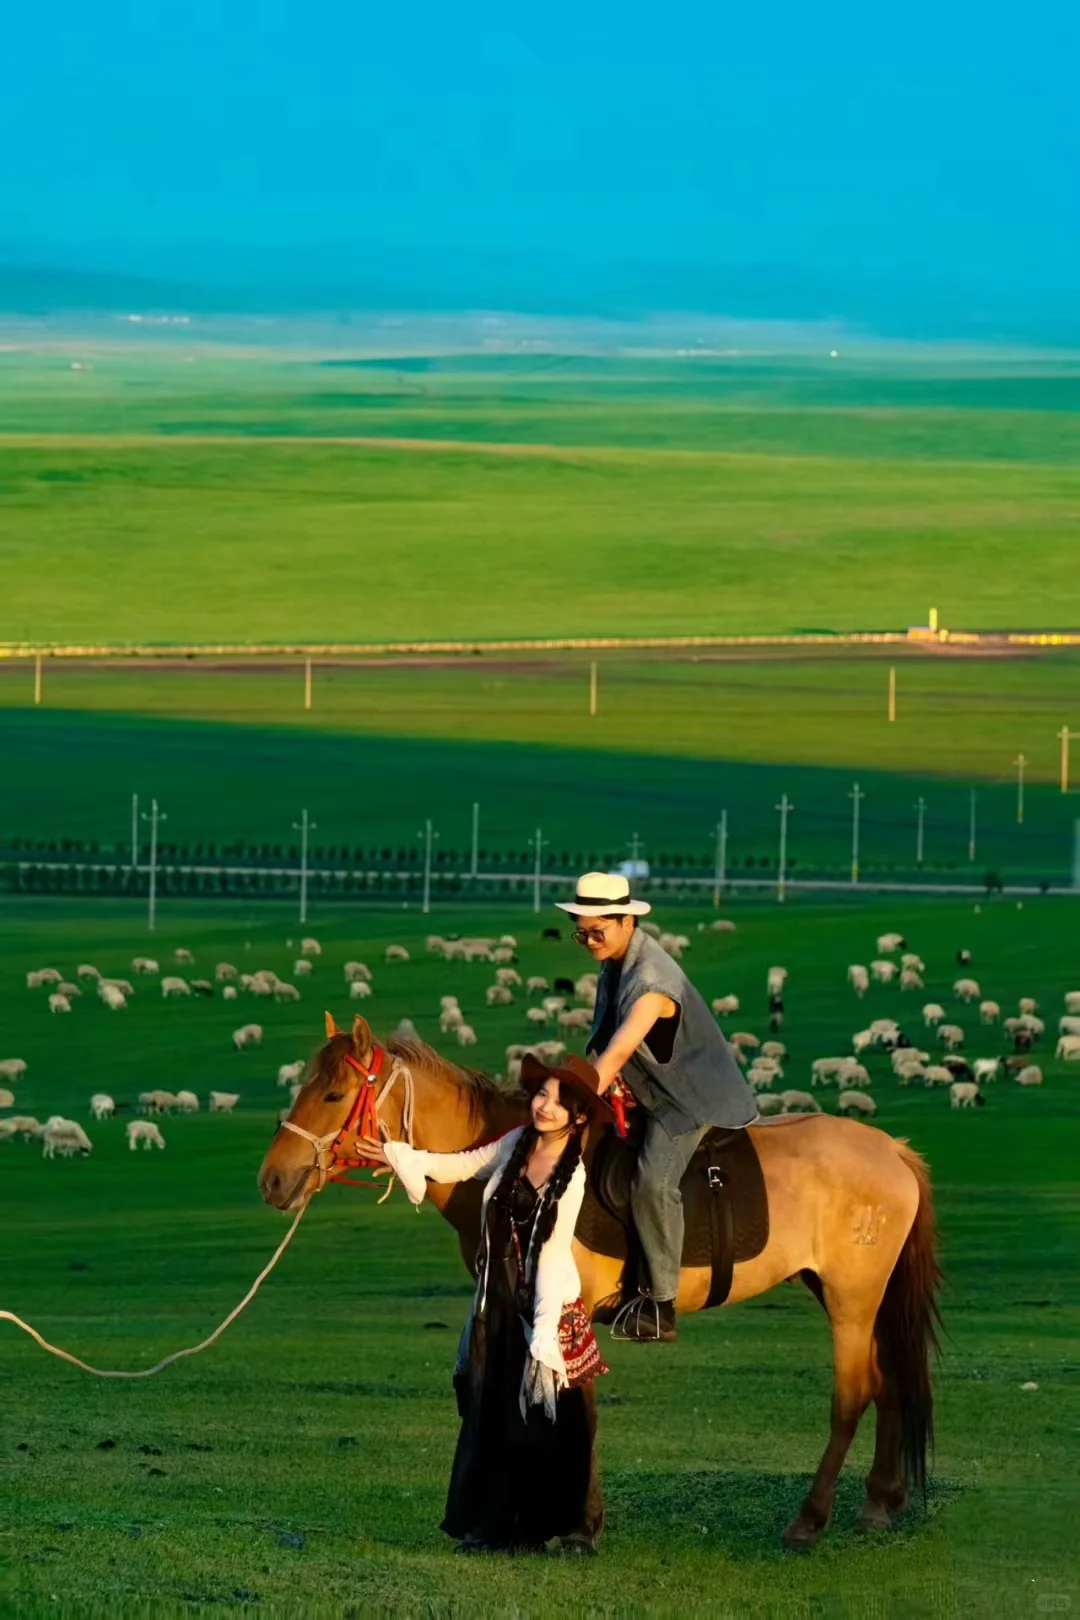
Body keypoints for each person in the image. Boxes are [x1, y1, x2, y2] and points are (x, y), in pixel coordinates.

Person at [363, 1054, 611, 1554]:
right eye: (542, 1094)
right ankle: (494, 1525)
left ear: (578, 1116)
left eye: (559, 1103)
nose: (544, 1106)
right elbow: (462, 1165)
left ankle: (557, 1527)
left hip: (543, 1301)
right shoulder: (515, 1144)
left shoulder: (574, 1175)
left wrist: (543, 1335)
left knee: (549, 1421)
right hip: (496, 1297)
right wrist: (399, 1155)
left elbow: (552, 1252)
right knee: (493, 1411)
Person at [556, 871, 758, 1344]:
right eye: (580, 933)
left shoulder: (651, 981)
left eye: (596, 932)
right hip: (649, 1093)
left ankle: (661, 1304)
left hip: (687, 1101)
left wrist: (581, 1098)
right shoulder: (616, 962)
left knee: (652, 1182)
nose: (587, 942)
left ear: (627, 920)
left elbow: (620, 1049)